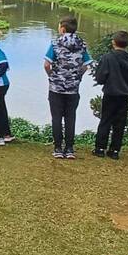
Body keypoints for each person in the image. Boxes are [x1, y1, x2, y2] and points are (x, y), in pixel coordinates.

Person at [44, 15, 91, 159]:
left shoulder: (55, 43)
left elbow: (47, 64)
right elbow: (87, 64)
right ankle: (70, 149)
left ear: (62, 29)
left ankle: (58, 148)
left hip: (56, 88)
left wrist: (52, 76)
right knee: (71, 117)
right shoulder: (82, 44)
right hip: (73, 88)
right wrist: (78, 76)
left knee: (56, 117)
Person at [92, 30, 128, 159]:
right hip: (125, 95)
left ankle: (100, 148)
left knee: (105, 120)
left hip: (110, 93)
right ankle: (114, 151)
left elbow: (100, 77)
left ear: (113, 42)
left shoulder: (107, 58)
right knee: (120, 122)